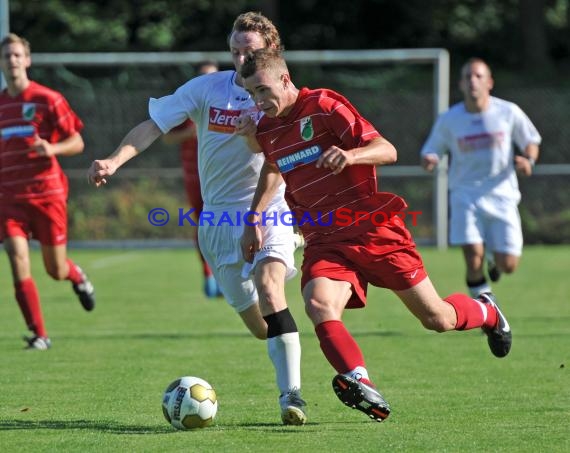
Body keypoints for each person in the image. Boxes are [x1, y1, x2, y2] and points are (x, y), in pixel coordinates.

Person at [237, 48, 512, 423]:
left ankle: (486, 310)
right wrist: (254, 216)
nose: (258, 100)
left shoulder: (325, 105)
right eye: (251, 93)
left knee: (436, 318)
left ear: (285, 80)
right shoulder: (266, 127)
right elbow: (274, 165)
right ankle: (359, 381)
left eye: (262, 90)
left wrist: (350, 157)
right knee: (317, 304)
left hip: (373, 229)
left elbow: (387, 149)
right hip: (324, 239)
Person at [87, 12, 307, 425]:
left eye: (251, 51)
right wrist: (115, 160)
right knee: (262, 327)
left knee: (271, 287)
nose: (242, 58)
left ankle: (291, 396)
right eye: (236, 50)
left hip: (267, 209)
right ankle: (289, 260)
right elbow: (153, 125)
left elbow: (283, 156)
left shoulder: (279, 93)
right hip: (218, 224)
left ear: (271, 53)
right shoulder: (207, 89)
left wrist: (254, 134)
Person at [0, 33, 96, 350]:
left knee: (55, 269)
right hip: (9, 199)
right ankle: (40, 334)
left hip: (47, 195)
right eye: (6, 56)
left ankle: (76, 276)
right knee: (17, 258)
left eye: (17, 55)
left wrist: (51, 147)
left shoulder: (47, 99)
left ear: (27, 60)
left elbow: (78, 142)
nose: (11, 61)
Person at [420, 58, 541, 298]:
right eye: (468, 77)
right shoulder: (449, 119)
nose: (473, 81)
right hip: (465, 194)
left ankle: (493, 260)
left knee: (509, 265)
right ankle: (488, 312)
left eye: (478, 76)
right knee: (472, 256)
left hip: (502, 195)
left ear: (489, 82)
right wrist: (430, 159)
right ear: (461, 84)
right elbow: (430, 149)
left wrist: (528, 161)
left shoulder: (508, 111)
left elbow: (530, 141)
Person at [162, 60, 223, 298]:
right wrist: (191, 132)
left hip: (223, 176)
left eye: (213, 76)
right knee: (203, 226)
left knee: (230, 223)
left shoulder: (231, 102)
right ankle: (208, 274)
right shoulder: (189, 104)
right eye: (204, 76)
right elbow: (166, 137)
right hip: (195, 175)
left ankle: (232, 276)